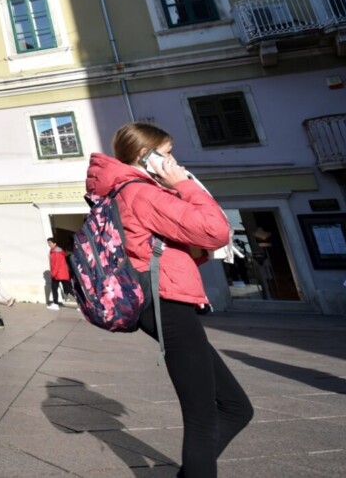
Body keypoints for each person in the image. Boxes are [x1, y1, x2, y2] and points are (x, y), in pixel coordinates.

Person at [89, 122, 251, 478]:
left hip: (163, 300)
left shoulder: (124, 191)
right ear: (146, 157)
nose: (174, 160)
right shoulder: (141, 192)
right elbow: (214, 230)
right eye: (167, 153)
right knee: (202, 417)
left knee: (237, 408)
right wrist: (184, 184)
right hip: (166, 304)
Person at [46, 237, 70, 310]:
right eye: (48, 242)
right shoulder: (53, 251)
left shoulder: (56, 252)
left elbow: (57, 265)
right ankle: (55, 304)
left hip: (59, 274)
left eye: (50, 242)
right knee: (54, 288)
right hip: (58, 274)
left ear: (54, 243)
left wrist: (53, 274)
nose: (48, 244)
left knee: (69, 289)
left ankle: (81, 304)